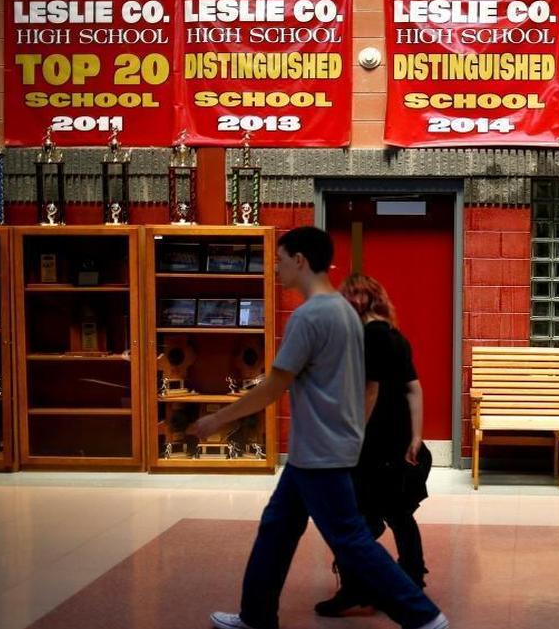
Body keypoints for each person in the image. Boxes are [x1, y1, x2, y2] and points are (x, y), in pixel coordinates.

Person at [192, 226, 448, 629]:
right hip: (320, 448)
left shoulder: (309, 316)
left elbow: (276, 385)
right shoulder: (345, 313)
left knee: (352, 539)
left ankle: (424, 617)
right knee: (277, 528)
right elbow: (362, 384)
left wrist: (217, 419)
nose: (275, 269)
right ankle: (256, 615)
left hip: (320, 453)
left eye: (278, 260)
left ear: (300, 260)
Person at [315, 273, 433, 617]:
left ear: (357, 301)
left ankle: (357, 585)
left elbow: (371, 390)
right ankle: (412, 577)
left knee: (356, 517)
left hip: (374, 439)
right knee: (399, 513)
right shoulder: (396, 336)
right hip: (396, 437)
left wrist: (352, 438)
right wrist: (416, 436)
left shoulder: (369, 336)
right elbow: (414, 388)